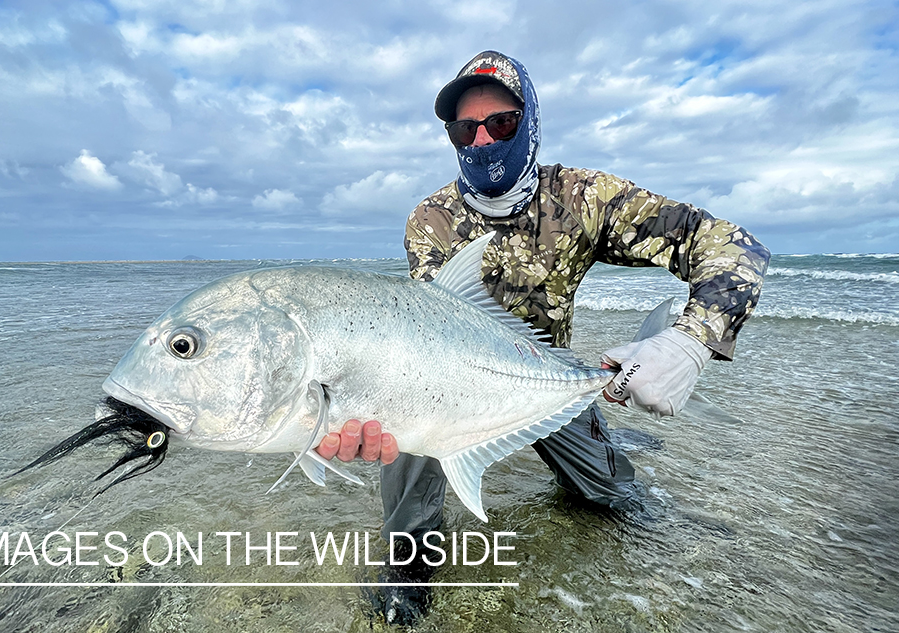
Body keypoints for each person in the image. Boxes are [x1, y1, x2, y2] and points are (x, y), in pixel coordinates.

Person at [316, 50, 770, 624]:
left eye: (500, 123)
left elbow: (732, 244)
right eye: (464, 128)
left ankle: (613, 449)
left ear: (528, 122)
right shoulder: (431, 219)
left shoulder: (583, 197)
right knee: (407, 430)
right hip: (447, 381)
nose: (481, 141)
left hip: (547, 376)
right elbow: (429, 333)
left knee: (609, 497)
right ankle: (407, 558)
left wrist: (690, 342)